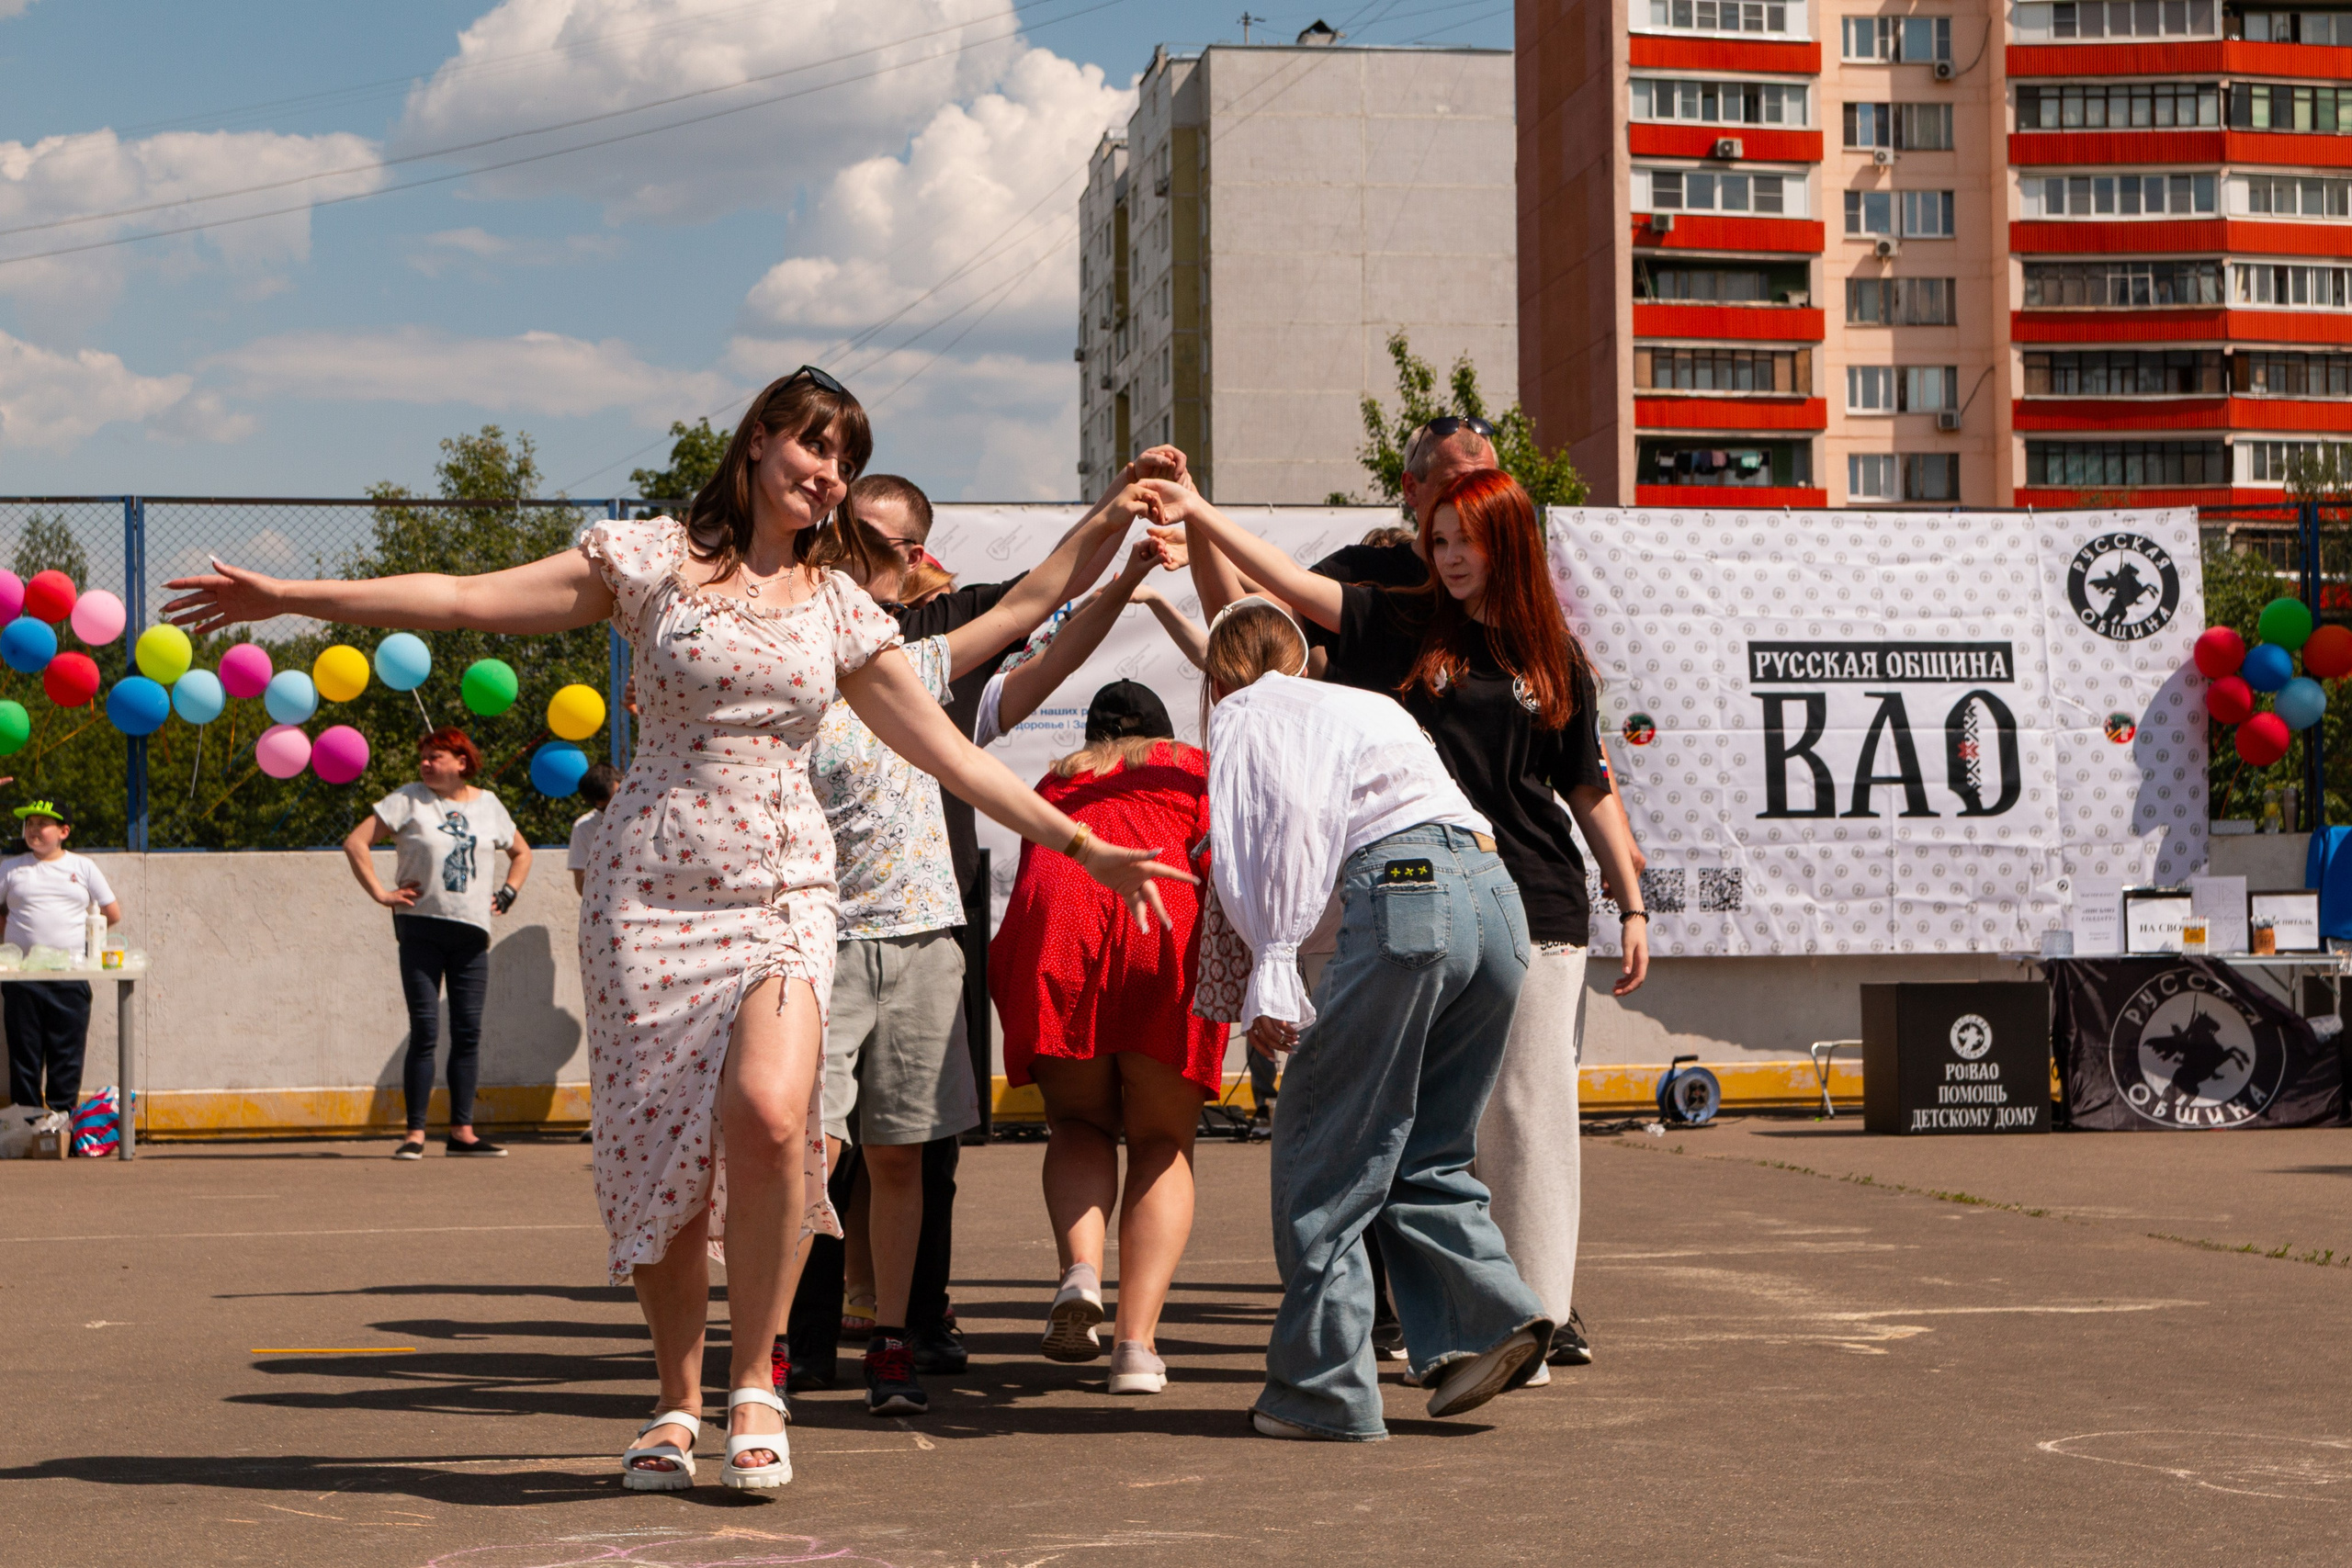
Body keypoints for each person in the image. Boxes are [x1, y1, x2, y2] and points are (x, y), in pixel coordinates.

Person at [165, 366, 1190, 1494]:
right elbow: (462, 598)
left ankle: (758, 1382)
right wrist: (298, 601)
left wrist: (1077, 839)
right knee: (664, 1157)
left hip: (786, 888)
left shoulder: (845, 612)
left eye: (843, 458)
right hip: (648, 890)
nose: (827, 473)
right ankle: (674, 1401)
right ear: (757, 443)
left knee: (769, 1114)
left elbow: (951, 747)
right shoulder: (648, 563)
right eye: (812, 446)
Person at [1154, 464, 1649, 1385]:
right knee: (1410, 1126)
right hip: (1411, 899)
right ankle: (1459, 1326)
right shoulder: (1406, 624)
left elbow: (1588, 790)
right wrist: (1202, 516)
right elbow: (1281, 594)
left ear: (1510, 543)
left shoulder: (1558, 660)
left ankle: (1529, 1326)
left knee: (1523, 1121)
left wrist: (1633, 901)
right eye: (1439, 539)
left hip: (1532, 904)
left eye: (1467, 539)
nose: (1452, 556)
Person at [803, 494, 1166, 1418]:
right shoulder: (795, 664)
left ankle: (905, 1327)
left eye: (890, 543)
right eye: (856, 542)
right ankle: (792, 1342)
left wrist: (1122, 538)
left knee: (913, 1152)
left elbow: (1041, 611)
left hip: (926, 932)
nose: (877, 560)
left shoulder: (934, 656)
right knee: (807, 1146)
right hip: (820, 937)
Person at [1198, 597, 1552, 1440]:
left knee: (1327, 1145)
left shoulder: (1244, 712)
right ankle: (1488, 1323)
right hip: (1496, 900)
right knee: (1426, 1145)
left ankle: (1322, 1391)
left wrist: (1271, 969)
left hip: (1404, 897)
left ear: (1217, 680)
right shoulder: (1362, 701)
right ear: (1303, 655)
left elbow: (1262, 842)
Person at [990, 677, 1218, 1398]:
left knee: (1080, 1121)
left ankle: (1079, 1272)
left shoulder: (1057, 780)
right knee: (1160, 1141)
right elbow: (1220, 864)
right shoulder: (1189, 768)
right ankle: (1135, 1346)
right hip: (1160, 915)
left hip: (1059, 919)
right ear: (1161, 731)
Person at [342, 728, 531, 1161]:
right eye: (423, 756)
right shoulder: (406, 799)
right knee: (425, 1029)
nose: (426, 763)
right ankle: (415, 1134)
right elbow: (355, 842)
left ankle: (462, 1132)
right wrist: (381, 893)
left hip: (471, 931)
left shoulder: (489, 805)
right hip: (420, 928)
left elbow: (522, 852)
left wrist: (509, 891)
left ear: (461, 762)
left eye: (437, 756)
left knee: (467, 1031)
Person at [1, 800, 120, 1117]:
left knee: (65, 1056)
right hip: (21, 979)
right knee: (24, 1056)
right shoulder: (11, 868)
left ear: (64, 831)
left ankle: (61, 1123)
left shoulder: (82, 867)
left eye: (43, 824)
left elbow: (112, 912)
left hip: (68, 977)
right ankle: (27, 1125)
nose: (33, 830)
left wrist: (78, 945)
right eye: (29, 824)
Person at [569, 761, 622, 895]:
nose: (613, 810)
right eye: (604, 808)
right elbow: (581, 886)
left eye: (618, 800)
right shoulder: (583, 827)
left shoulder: (645, 813)